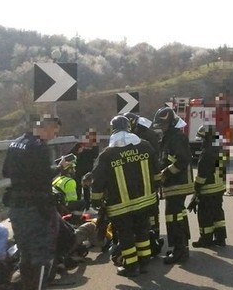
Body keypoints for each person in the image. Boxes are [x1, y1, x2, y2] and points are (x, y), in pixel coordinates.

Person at [90, 115, 158, 278]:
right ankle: (144, 263)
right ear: (129, 128)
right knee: (143, 231)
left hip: (120, 205)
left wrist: (96, 200)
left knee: (125, 235)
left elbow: (98, 180)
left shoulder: (107, 155)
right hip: (146, 201)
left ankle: (131, 267)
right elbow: (156, 172)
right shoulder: (145, 146)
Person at [1, 114, 63, 290]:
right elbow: (43, 179)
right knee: (41, 254)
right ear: (45, 128)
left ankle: (25, 285)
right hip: (36, 207)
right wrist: (58, 169)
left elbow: (6, 171)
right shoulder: (40, 148)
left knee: (25, 252)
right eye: (54, 132)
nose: (54, 137)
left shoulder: (15, 143)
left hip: (16, 206)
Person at [153, 106, 194, 265]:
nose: (161, 128)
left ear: (170, 124)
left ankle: (180, 251)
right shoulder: (169, 137)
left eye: (163, 125)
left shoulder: (176, 138)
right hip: (174, 184)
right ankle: (181, 246)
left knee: (173, 217)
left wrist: (165, 174)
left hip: (177, 184)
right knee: (179, 215)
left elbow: (182, 160)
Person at [123, 112, 162, 246]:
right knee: (152, 205)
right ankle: (154, 232)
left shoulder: (139, 137)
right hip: (150, 175)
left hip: (142, 176)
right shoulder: (148, 133)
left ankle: (149, 233)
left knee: (145, 207)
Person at [189, 125, 228, 248]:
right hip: (219, 188)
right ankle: (220, 238)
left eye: (202, 139)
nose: (201, 142)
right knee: (217, 214)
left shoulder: (206, 153)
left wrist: (196, 191)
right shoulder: (221, 150)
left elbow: (202, 175)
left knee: (205, 215)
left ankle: (205, 240)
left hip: (208, 189)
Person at [68, 129, 99, 208]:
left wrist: (93, 145)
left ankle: (87, 206)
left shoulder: (94, 146)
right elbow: (70, 155)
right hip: (78, 170)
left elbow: (95, 155)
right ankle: (78, 205)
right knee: (78, 188)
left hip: (88, 171)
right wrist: (78, 152)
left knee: (87, 189)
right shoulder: (79, 145)